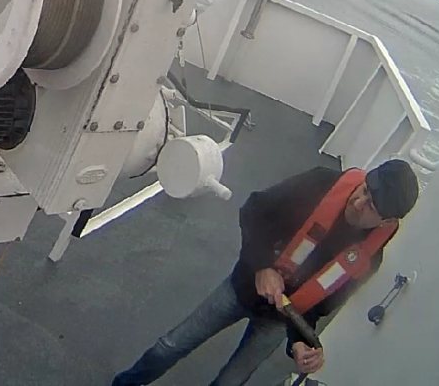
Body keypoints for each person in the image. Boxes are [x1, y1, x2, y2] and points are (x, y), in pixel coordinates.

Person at [111, 159, 420, 386]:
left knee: (230, 383)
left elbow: (317, 308)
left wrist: (299, 344)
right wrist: (261, 266)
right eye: (364, 190)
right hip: (242, 287)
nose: (358, 202)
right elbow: (255, 209)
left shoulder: (368, 261)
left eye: (371, 207)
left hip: (279, 321)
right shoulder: (320, 183)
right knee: (171, 346)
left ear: (385, 222)